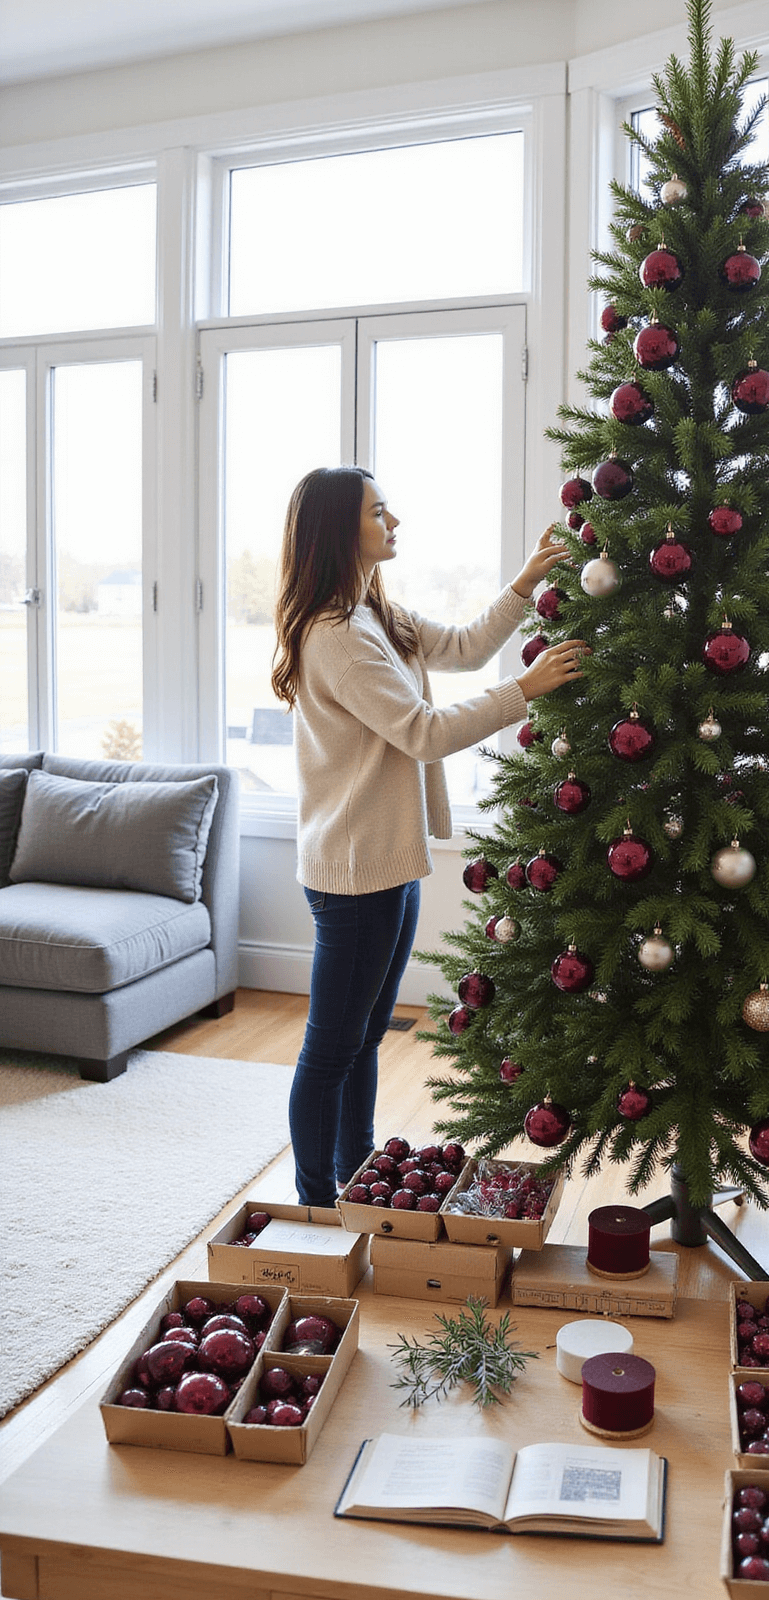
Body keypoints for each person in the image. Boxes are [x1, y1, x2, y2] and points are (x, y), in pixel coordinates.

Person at [271, 464, 588, 1207]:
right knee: (331, 1047)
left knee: (365, 1036)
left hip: (388, 861)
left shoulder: (378, 615)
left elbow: (470, 647)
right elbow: (423, 733)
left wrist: (524, 583)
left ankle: (356, 1174)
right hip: (353, 874)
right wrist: (527, 691)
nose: (394, 521)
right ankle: (317, 1202)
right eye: (379, 512)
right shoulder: (336, 636)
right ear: (338, 530)